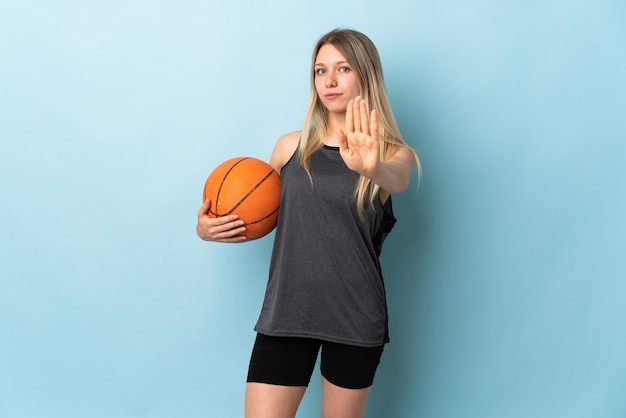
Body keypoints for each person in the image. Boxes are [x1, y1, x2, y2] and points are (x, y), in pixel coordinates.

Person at [197, 28, 420, 418]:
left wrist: (373, 167)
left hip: (355, 315)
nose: (329, 81)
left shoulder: (393, 155)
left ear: (365, 75)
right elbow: (259, 212)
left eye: (343, 68)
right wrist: (211, 227)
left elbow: (397, 179)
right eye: (320, 70)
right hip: (287, 313)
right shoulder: (289, 148)